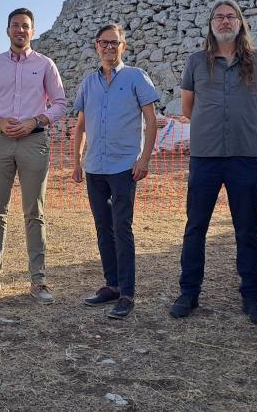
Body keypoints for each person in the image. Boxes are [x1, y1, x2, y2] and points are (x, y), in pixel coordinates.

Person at [170, 0, 257, 326]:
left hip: (244, 156)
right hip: (206, 156)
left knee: (246, 229)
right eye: (219, 16)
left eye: (231, 16)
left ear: (240, 23)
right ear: (211, 23)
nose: (225, 21)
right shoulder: (195, 63)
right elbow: (189, 109)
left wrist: (241, 127)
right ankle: (189, 293)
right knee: (195, 227)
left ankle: (251, 296)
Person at [0, 8, 67, 304]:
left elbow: (61, 103)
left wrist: (35, 120)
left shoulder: (46, 65)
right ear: (8, 30)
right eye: (15, 25)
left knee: (34, 212)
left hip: (34, 142)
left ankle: (38, 281)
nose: (20, 30)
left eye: (25, 26)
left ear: (33, 31)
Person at [72, 24, 159, 320]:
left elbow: (151, 122)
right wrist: (76, 161)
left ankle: (127, 293)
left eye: (114, 43)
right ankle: (111, 285)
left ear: (123, 46)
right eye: (103, 43)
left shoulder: (136, 77)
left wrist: (143, 160)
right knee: (102, 228)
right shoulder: (88, 83)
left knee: (122, 228)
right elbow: (81, 125)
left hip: (124, 167)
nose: (109, 48)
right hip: (95, 167)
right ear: (96, 46)